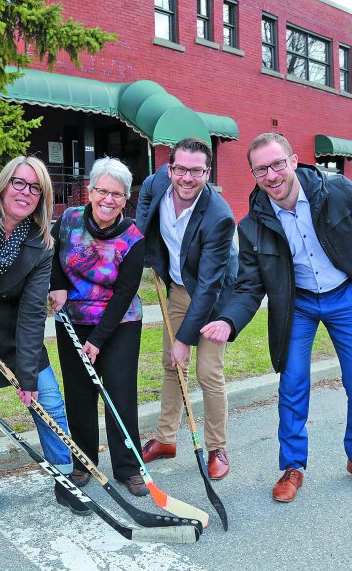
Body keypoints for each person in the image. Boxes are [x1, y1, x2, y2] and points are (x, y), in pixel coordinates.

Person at [201, 133, 352, 502]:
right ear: (254, 174)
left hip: (346, 297)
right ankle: (292, 467)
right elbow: (249, 286)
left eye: (277, 164)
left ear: (293, 161)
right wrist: (228, 320)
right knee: (292, 385)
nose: (271, 175)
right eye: (261, 170)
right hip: (298, 306)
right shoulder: (253, 225)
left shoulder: (337, 191)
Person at [0, 156, 89, 518]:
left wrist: (27, 375)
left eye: (35, 188)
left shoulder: (40, 244)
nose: (25, 192)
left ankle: (64, 478)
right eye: (19, 182)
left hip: (16, 337)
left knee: (49, 403)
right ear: (3, 185)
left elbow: (32, 314)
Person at [135, 137, 238, 480]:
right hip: (178, 289)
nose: (187, 178)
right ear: (170, 169)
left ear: (207, 173)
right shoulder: (157, 183)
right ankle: (166, 439)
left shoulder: (219, 217)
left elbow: (208, 287)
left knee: (207, 371)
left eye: (196, 171)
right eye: (181, 169)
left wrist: (184, 339)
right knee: (171, 365)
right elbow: (145, 200)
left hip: (214, 298)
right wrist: (144, 243)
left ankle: (217, 447)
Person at [49, 157, 148, 496]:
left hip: (119, 323)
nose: (108, 199)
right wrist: (57, 285)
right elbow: (51, 255)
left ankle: (128, 467)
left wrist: (99, 339)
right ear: (89, 191)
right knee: (78, 393)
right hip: (72, 319)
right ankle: (83, 461)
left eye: (117, 194)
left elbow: (125, 293)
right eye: (102, 191)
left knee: (119, 394)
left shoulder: (133, 238)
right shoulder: (69, 220)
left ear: (126, 199)